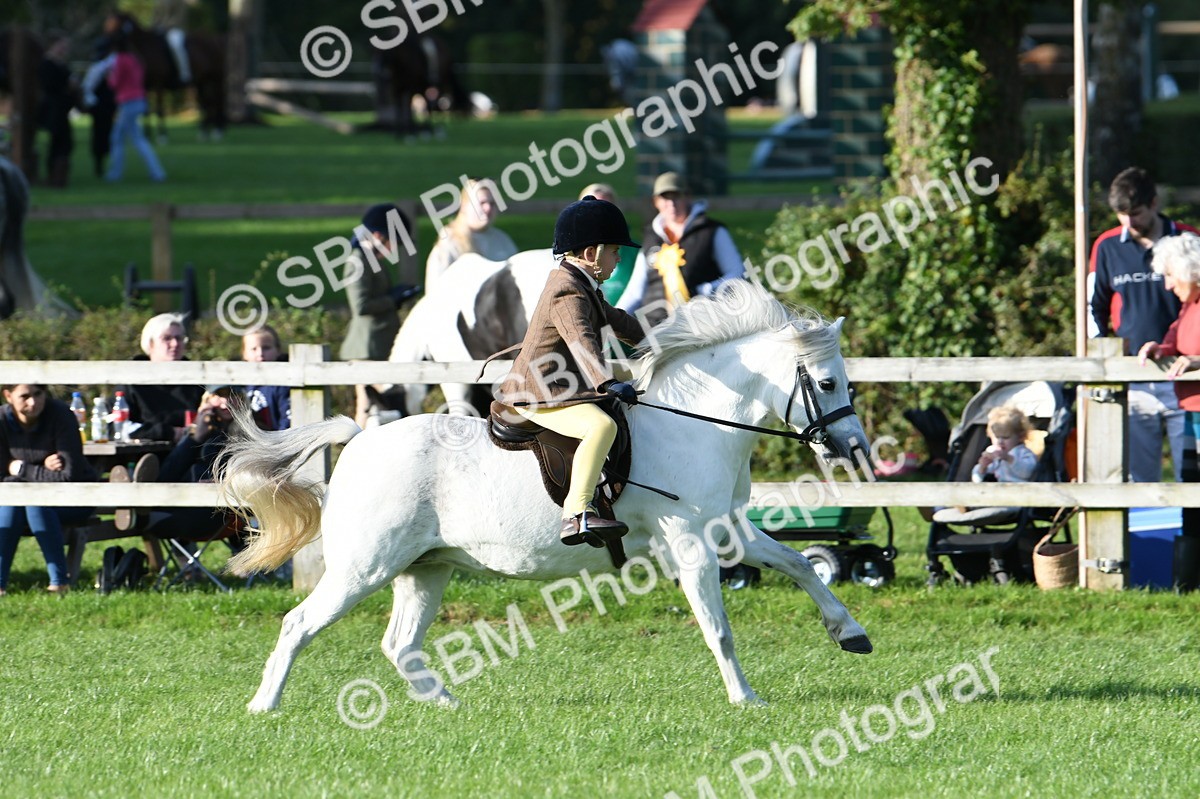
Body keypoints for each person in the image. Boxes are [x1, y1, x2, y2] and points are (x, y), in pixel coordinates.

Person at [493, 196, 645, 546]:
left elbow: (618, 320)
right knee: (600, 426)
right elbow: (581, 340)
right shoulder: (566, 290)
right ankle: (576, 513)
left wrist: (660, 340)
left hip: (558, 385)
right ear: (591, 253)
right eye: (615, 251)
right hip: (536, 393)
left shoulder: (581, 283)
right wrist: (607, 382)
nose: (619, 258)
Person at [1089, 167, 1198, 482]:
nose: (1129, 222)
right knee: (1138, 475)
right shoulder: (1107, 246)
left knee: (1190, 473)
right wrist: (1102, 360)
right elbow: (1094, 306)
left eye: (1135, 213)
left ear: (1153, 203)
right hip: (1135, 372)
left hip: (1185, 375)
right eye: (1121, 215)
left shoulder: (1187, 240)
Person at [0, 384, 99, 595]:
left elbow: (68, 475)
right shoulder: (1, 420)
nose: (33, 402)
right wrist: (41, 467)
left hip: (73, 499)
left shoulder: (61, 415)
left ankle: (59, 582)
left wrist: (20, 468)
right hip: (19, 500)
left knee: (36, 503)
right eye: (24, 396)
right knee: (11, 502)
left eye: (38, 394)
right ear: (8, 396)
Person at [615, 171, 744, 325]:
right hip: (654, 327)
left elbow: (737, 274)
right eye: (665, 197)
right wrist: (612, 319)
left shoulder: (712, 231)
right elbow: (635, 292)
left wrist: (707, 290)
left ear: (688, 197)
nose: (671, 203)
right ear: (656, 201)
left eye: (676, 196)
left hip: (702, 324)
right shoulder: (650, 238)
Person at [339, 203, 421, 426]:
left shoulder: (372, 260)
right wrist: (393, 299)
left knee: (371, 404)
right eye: (394, 242)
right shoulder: (357, 262)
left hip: (378, 343)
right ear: (377, 236)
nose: (394, 250)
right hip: (367, 346)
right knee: (369, 404)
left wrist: (398, 295)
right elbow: (361, 305)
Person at [1138, 233, 1200, 441]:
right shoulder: (1189, 306)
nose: (1168, 285)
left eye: (1170, 275)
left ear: (1189, 270)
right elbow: (1174, 340)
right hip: (1191, 407)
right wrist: (1160, 350)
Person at [116, 313, 204, 443]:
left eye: (179, 338)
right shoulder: (131, 379)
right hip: (143, 450)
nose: (175, 343)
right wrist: (168, 432)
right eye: (166, 338)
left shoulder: (197, 377)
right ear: (150, 343)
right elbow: (119, 426)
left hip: (193, 447)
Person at [424, 178, 518, 290]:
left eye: (492, 203)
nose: (488, 208)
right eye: (482, 203)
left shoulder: (502, 240)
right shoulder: (450, 243)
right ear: (464, 205)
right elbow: (435, 291)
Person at [105, 30, 166, 183]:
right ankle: (154, 172)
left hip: (128, 102)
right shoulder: (134, 58)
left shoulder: (120, 60)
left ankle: (118, 173)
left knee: (126, 139)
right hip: (139, 99)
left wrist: (109, 76)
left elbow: (115, 82)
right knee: (128, 137)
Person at [579, 182, 637, 304]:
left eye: (606, 207)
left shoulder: (635, 252)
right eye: (593, 207)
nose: (600, 214)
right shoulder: (570, 254)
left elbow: (638, 294)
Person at [36, 32, 76, 188]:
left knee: (64, 142)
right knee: (59, 141)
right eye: (62, 45)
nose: (65, 49)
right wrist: (68, 87)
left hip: (62, 108)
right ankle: (55, 177)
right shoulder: (47, 64)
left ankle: (58, 176)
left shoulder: (61, 63)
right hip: (54, 108)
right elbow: (50, 86)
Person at [971, 406, 1038, 483]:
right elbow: (976, 478)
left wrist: (1009, 458)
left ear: (1020, 437)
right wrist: (982, 467)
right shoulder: (992, 450)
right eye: (997, 437)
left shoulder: (1023, 453)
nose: (1000, 441)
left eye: (1005, 437)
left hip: (1019, 488)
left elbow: (1028, 473)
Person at [242, 325, 290, 431]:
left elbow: (287, 422)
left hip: (277, 438)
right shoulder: (237, 381)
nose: (260, 354)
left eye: (266, 348)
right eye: (254, 349)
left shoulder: (283, 383)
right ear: (244, 353)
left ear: (278, 350)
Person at [81, 37, 117, 179]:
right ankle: (100, 165)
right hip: (100, 107)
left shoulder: (109, 64)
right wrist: (93, 103)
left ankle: (108, 165)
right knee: (100, 135)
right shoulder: (99, 67)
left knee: (108, 135)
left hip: (107, 106)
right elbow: (88, 87)